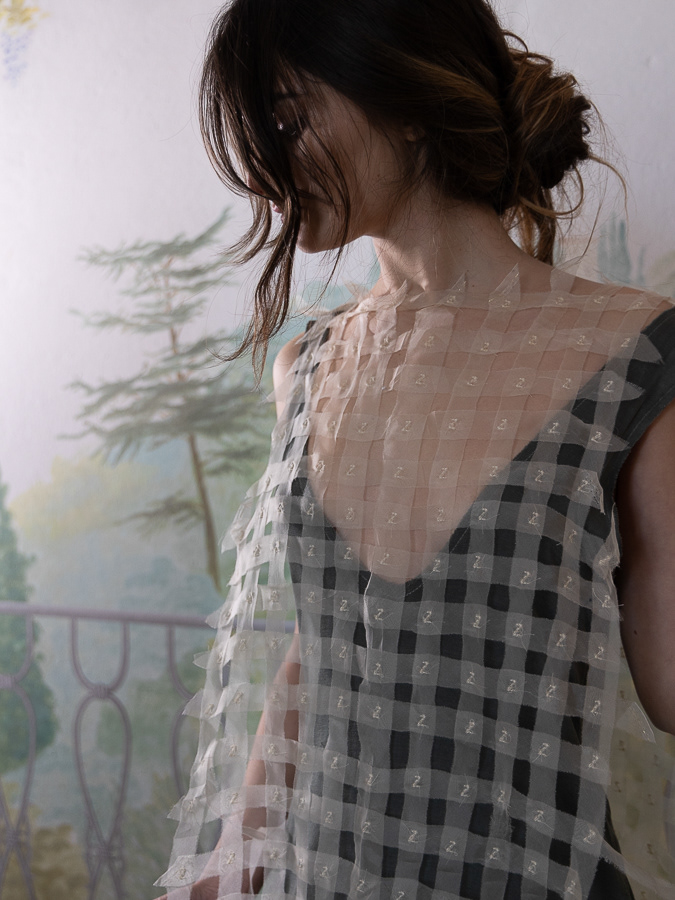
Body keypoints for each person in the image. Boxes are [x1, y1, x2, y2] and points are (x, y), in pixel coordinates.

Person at [155, 0, 675, 897]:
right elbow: (327, 642)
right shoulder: (306, 365)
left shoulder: (636, 354)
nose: (265, 167)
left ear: (403, 101)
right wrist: (235, 856)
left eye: (288, 120)